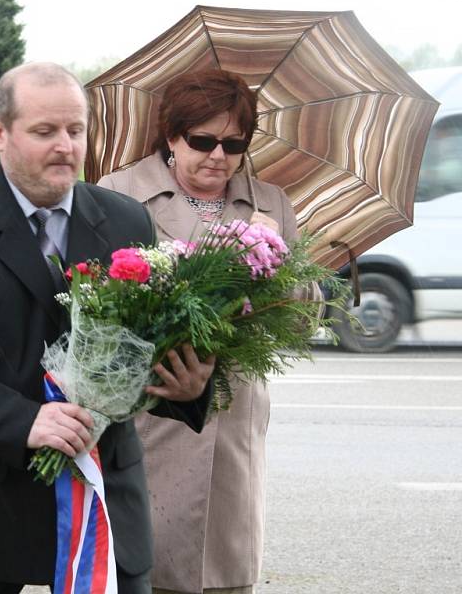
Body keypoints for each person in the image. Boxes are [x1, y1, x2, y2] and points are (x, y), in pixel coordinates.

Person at [0, 61, 215, 594]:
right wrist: (23, 422)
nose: (65, 145)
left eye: (75, 130)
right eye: (44, 132)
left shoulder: (128, 221)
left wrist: (188, 387)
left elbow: (153, 341)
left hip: (105, 504)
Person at [98, 69, 300, 594]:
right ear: (171, 135)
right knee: (147, 569)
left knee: (226, 576)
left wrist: (271, 262)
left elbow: (304, 317)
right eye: (203, 140)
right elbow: (96, 312)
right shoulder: (118, 195)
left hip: (233, 423)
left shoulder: (271, 204)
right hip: (153, 413)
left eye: (234, 144)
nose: (218, 156)